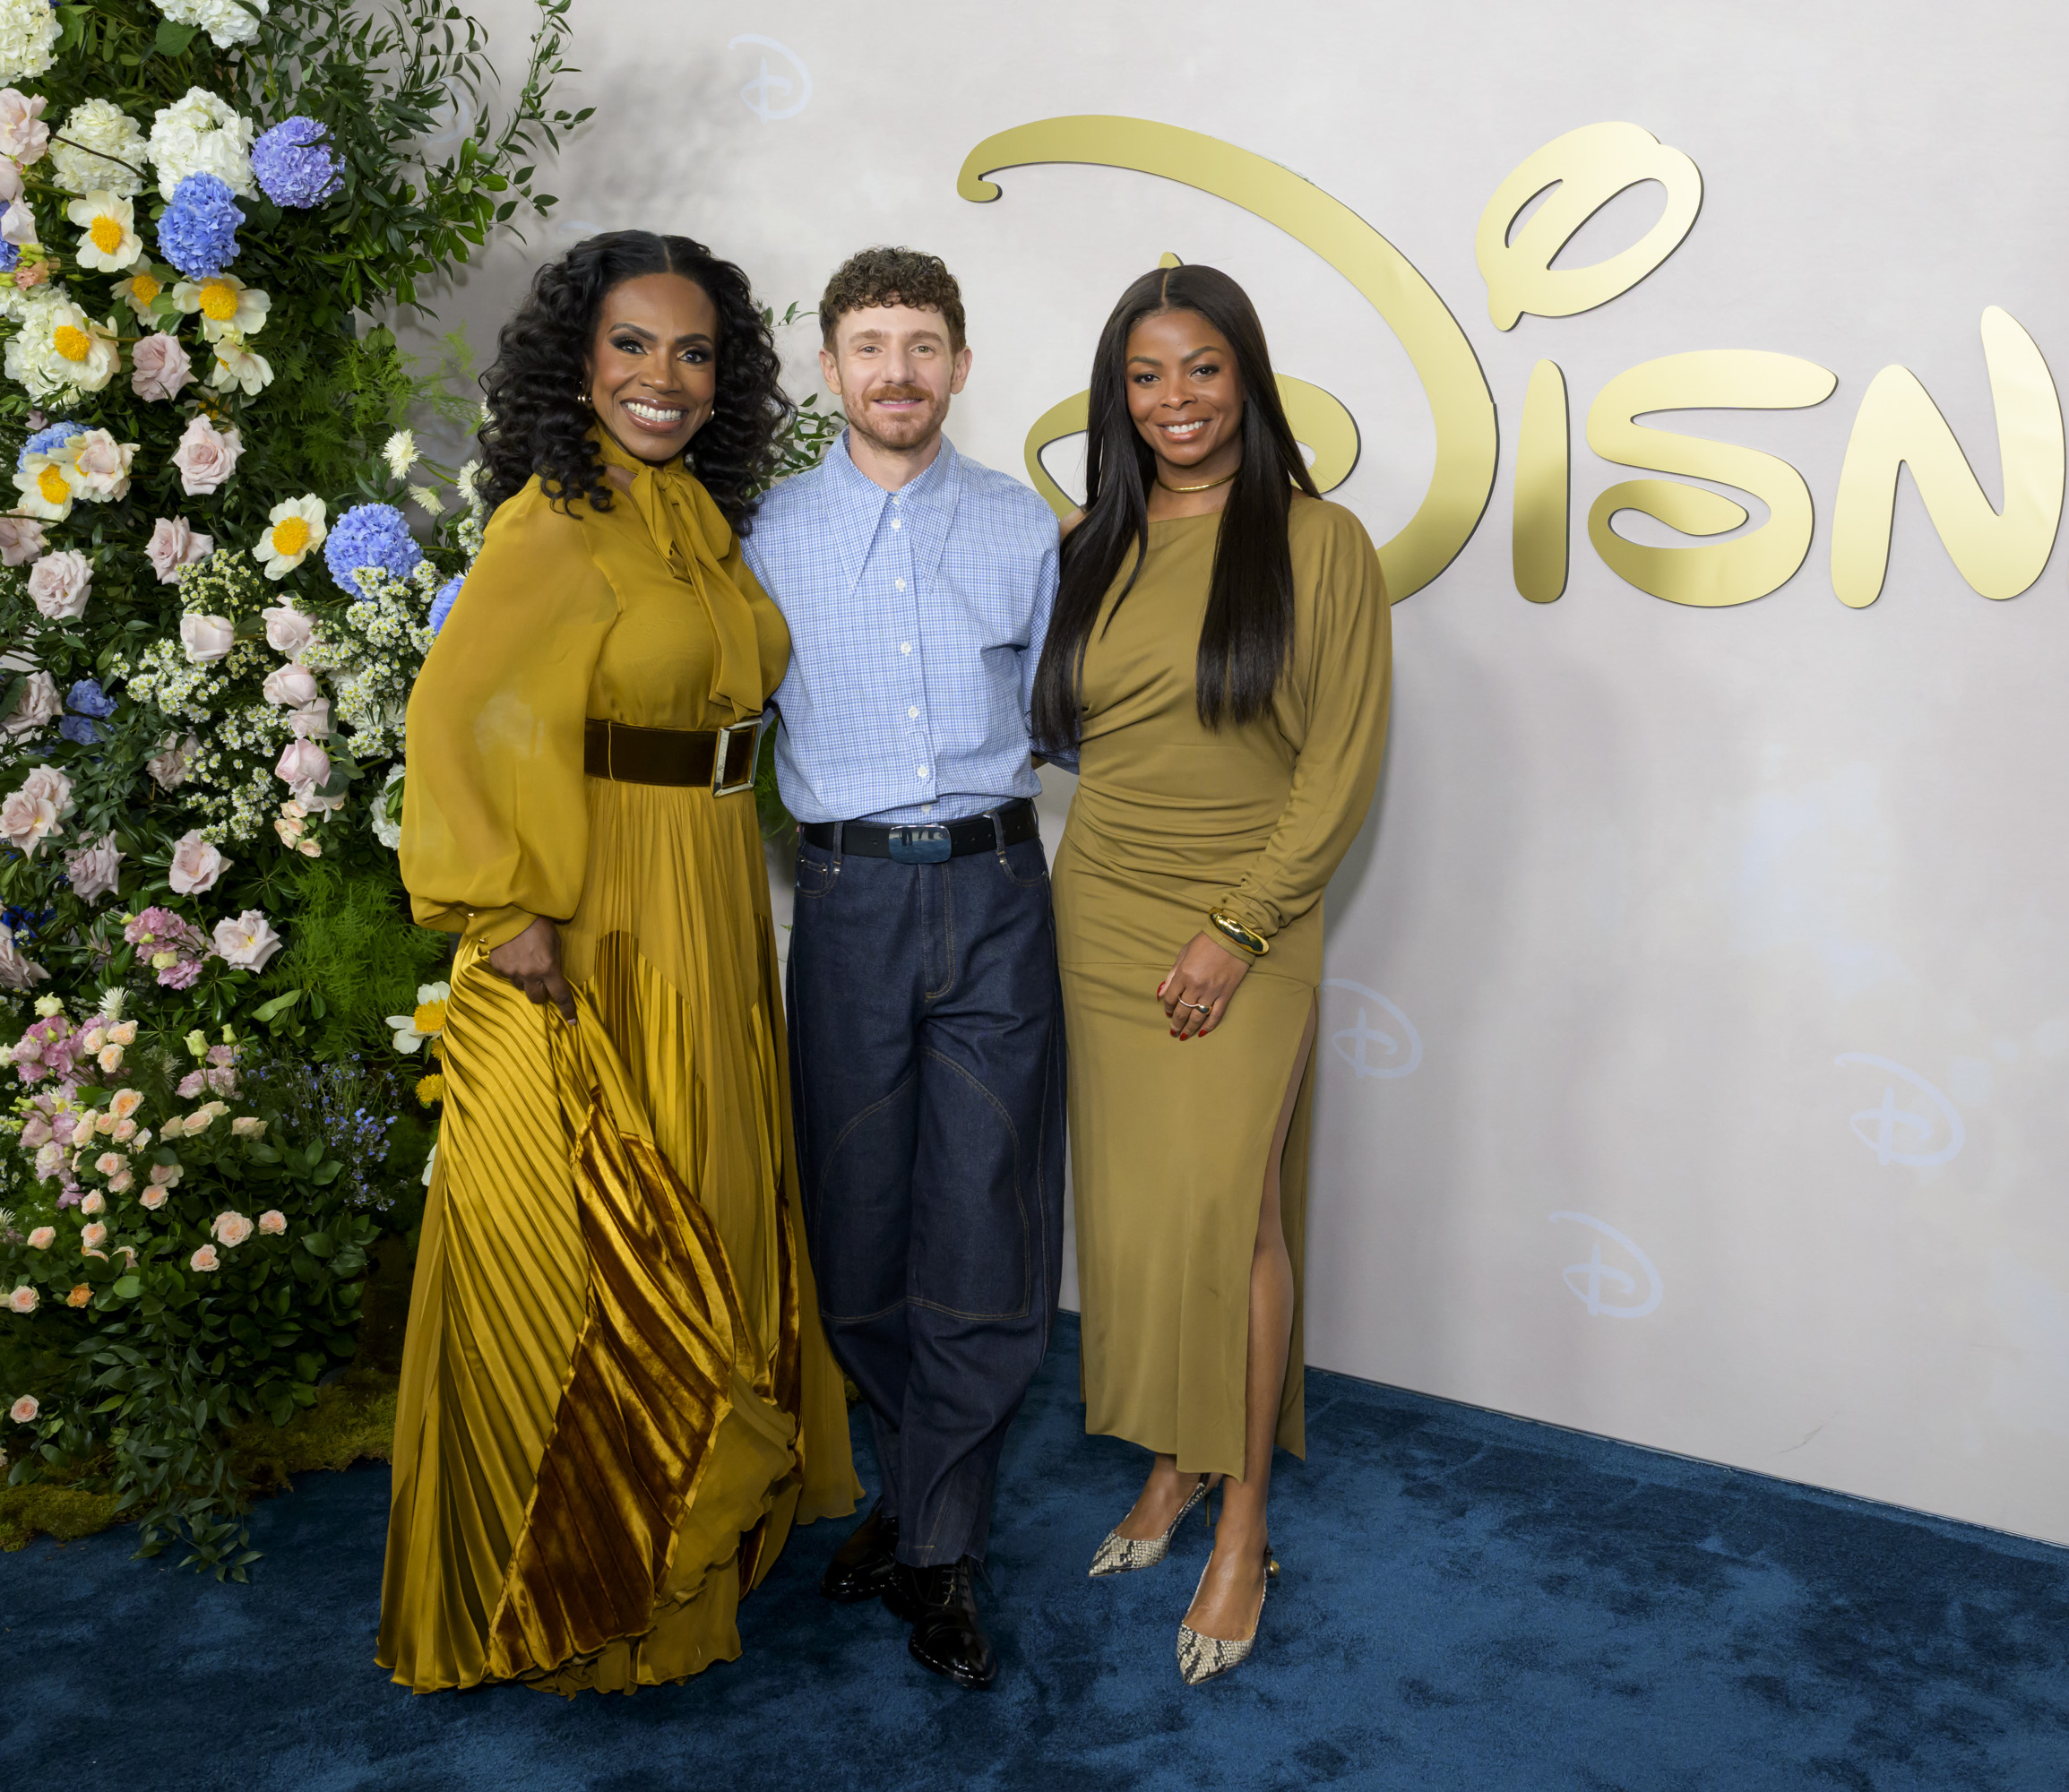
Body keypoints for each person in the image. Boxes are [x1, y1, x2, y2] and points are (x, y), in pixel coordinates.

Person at [381, 230, 858, 1694]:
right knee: (621, 1229)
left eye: (694, 351)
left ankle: (694, 1560)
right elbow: (453, 718)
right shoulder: (552, 521)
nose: (666, 376)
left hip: (712, 887)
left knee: (715, 1190)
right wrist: (502, 906)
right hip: (604, 910)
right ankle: (602, 1582)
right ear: (578, 363)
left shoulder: (698, 517)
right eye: (634, 345)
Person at [1039, 264, 1391, 1684]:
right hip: (1102, 905)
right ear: (1116, 394)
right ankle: (1174, 1463)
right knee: (1139, 1214)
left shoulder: (1319, 541)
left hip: (1249, 915)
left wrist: (1238, 928)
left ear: (1246, 376)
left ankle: (1244, 1523)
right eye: (1144, 375)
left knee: (1231, 1212)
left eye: (1201, 368)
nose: (1173, 400)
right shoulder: (1087, 543)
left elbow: (1340, 765)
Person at [738, 246, 1063, 1693]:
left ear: (961, 365)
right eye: (870, 345)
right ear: (830, 368)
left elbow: (1062, 716)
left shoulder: (1022, 526)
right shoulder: (763, 533)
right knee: (858, 1221)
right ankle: (917, 1488)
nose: (898, 372)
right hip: (848, 900)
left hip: (997, 891)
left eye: (924, 345)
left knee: (986, 1218)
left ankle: (939, 1545)